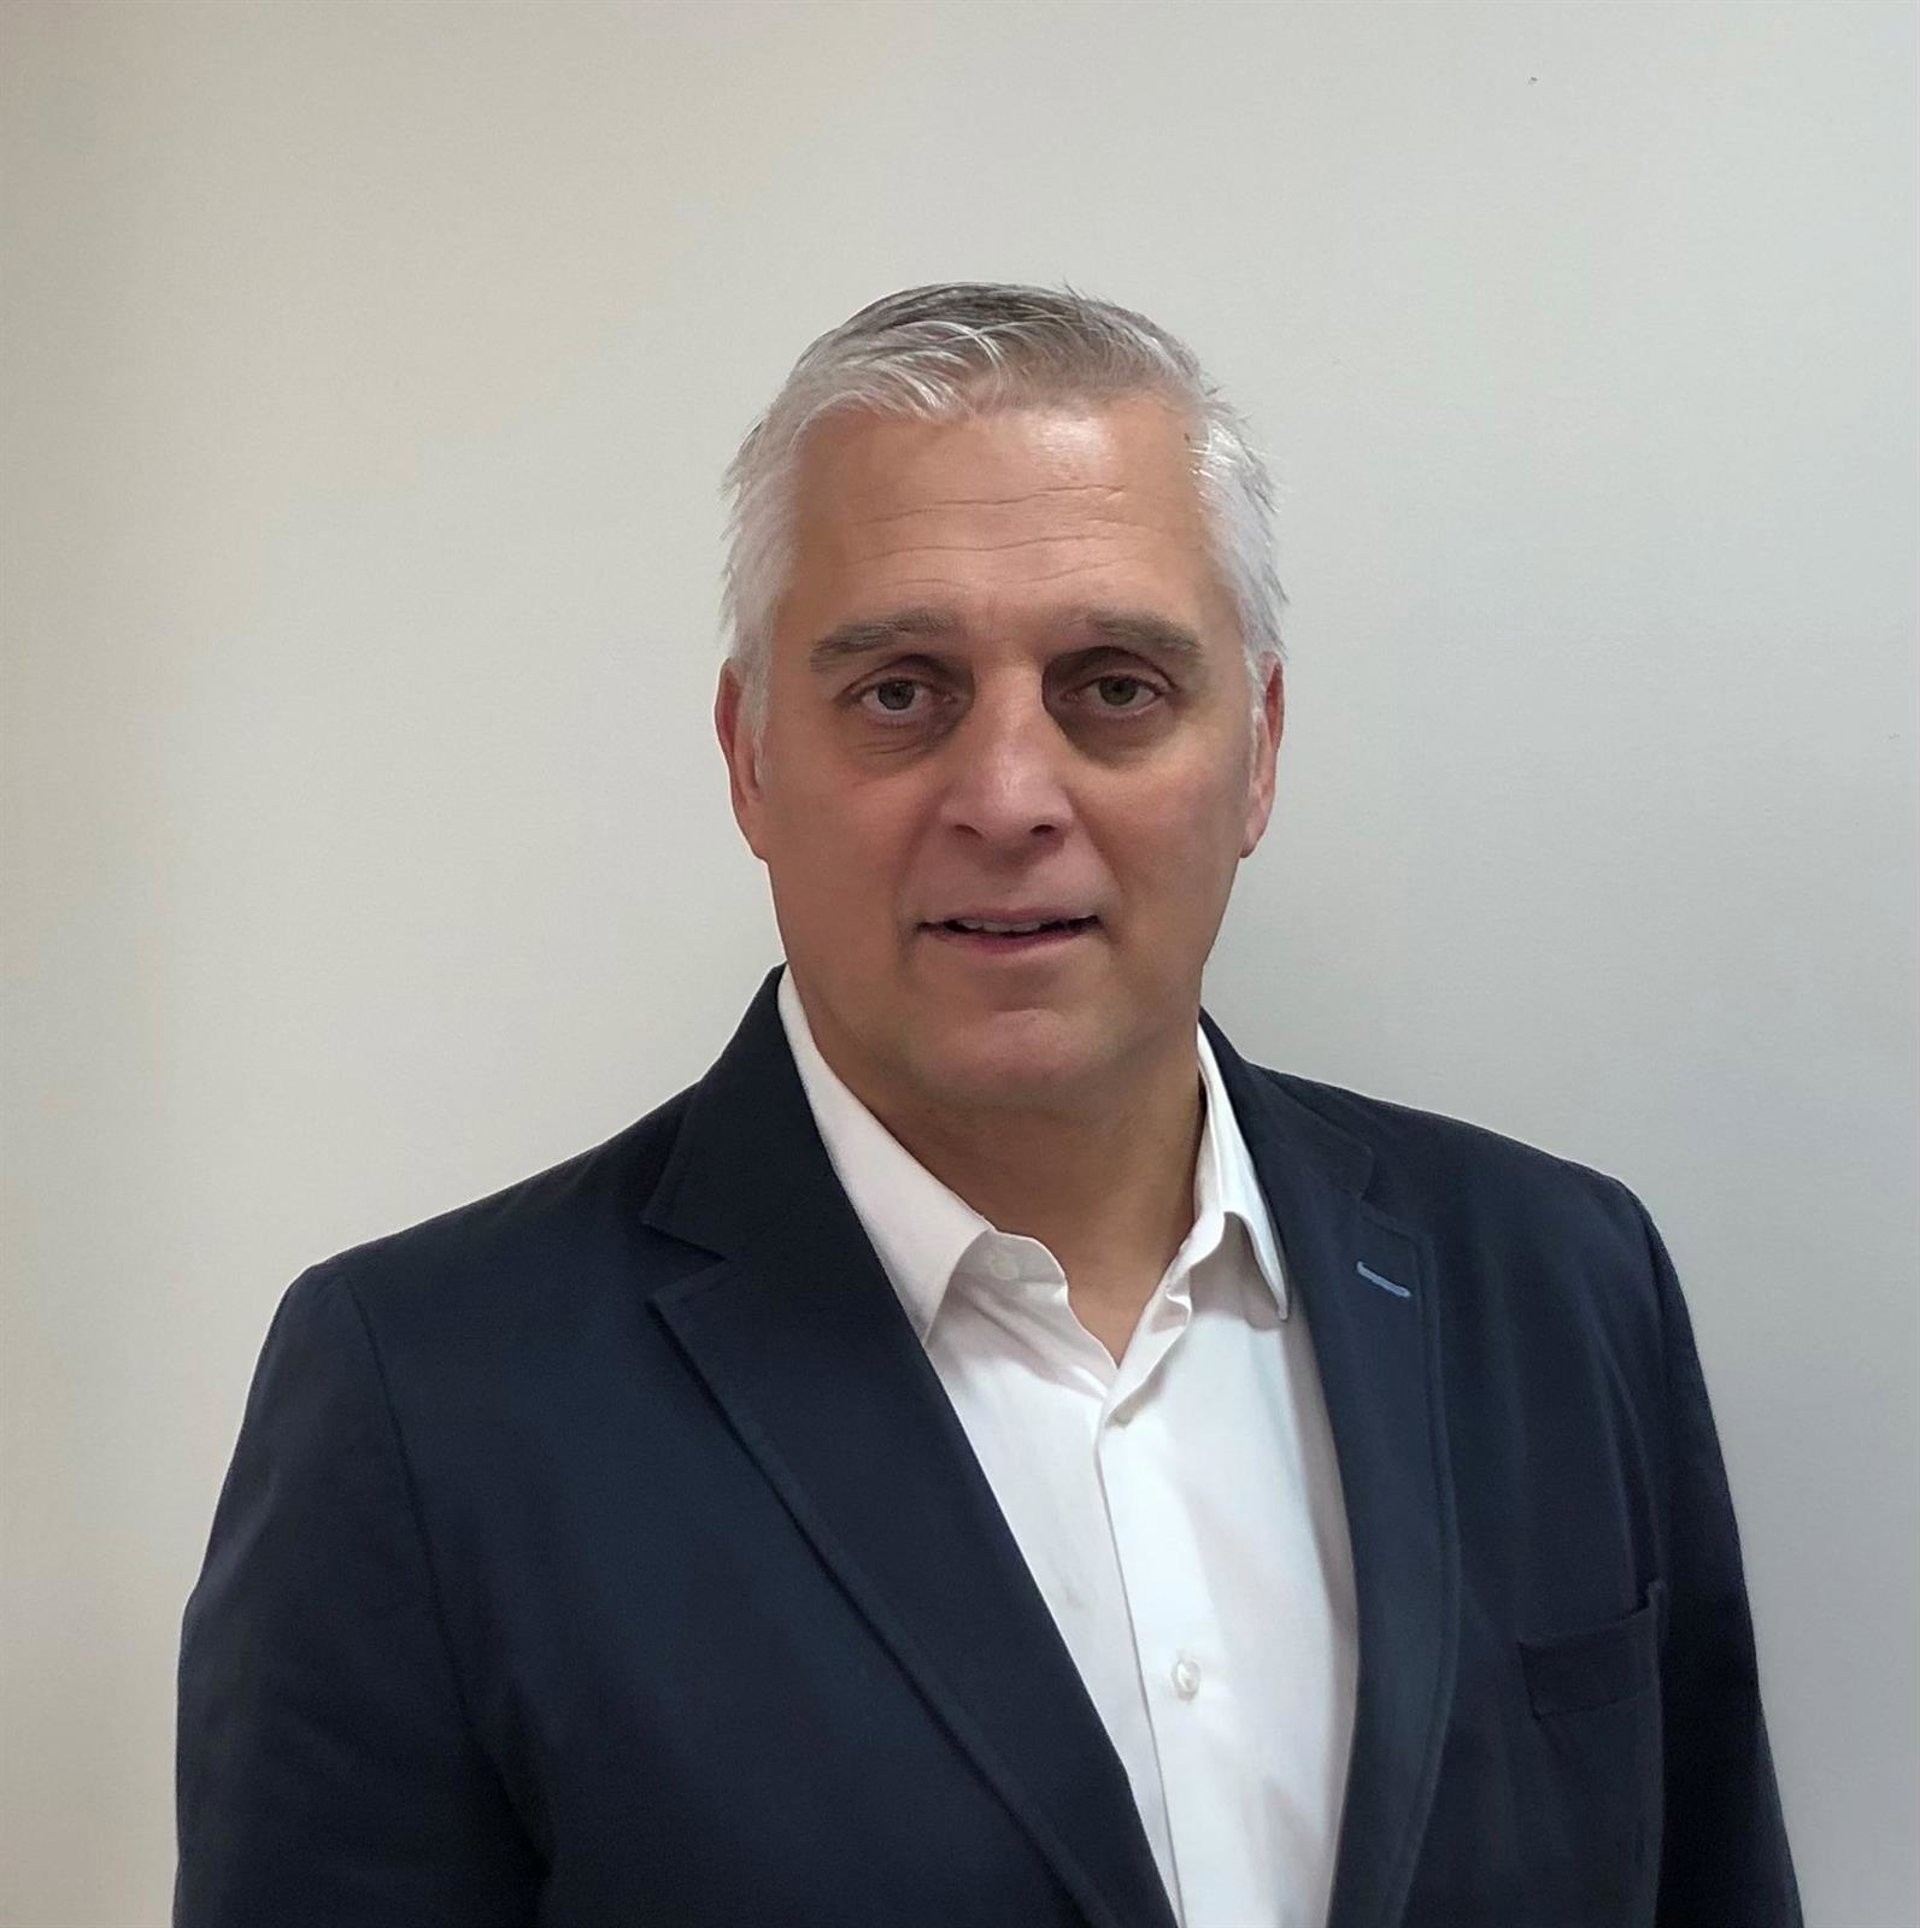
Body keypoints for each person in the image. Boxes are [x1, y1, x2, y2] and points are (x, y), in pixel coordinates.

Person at [174, 284, 1801, 1928]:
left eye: (1114, 686)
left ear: (1258, 751)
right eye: (901, 691)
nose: (1010, 798)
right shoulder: (428, 1403)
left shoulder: (1558, 1283)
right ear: (749, 756)